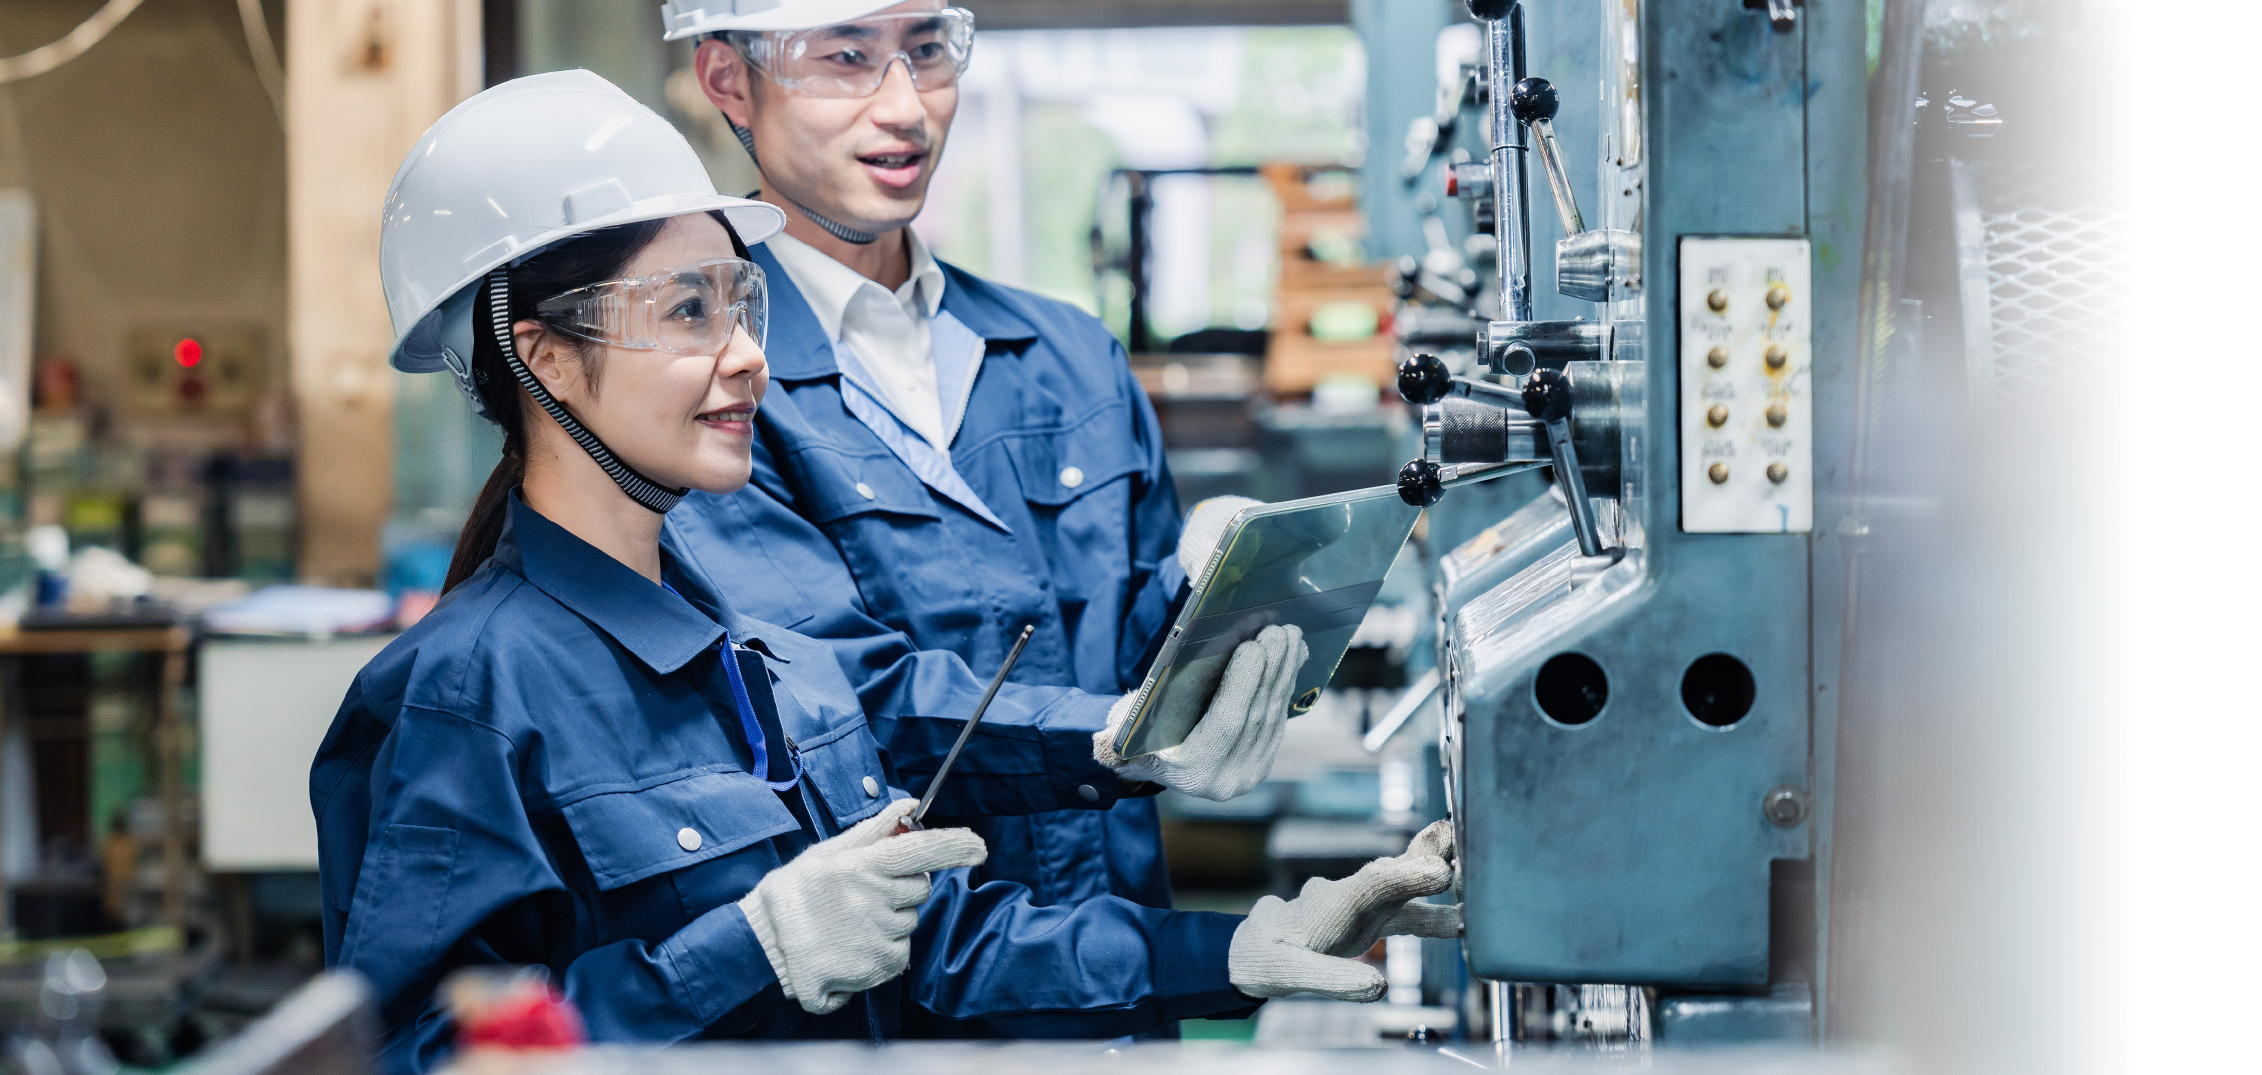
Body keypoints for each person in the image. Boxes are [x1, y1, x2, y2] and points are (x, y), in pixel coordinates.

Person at [316, 71, 1458, 1070]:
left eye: (740, 299)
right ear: (545, 355)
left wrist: (1251, 944)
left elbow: (945, 949)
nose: (748, 353)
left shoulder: (770, 663)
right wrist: (746, 949)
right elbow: (418, 1053)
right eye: (685, 311)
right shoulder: (465, 694)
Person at [654, 0, 1321, 1027]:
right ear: (726, 81)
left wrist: (1224, 602)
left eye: (928, 47)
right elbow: (853, 704)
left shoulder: (1064, 354)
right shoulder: (707, 394)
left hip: (1118, 996)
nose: (905, 107)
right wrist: (1118, 735)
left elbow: (1133, 651)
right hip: (900, 1025)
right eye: (844, 57)